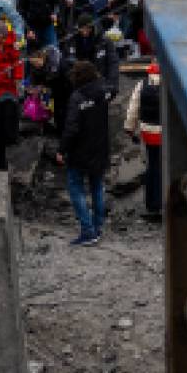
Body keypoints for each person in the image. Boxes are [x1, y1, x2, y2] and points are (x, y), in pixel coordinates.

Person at [58, 59, 111, 247]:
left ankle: (87, 231)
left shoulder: (77, 97)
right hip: (100, 148)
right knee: (97, 187)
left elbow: (71, 128)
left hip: (80, 152)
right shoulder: (103, 92)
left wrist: (62, 149)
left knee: (76, 188)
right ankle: (97, 226)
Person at [123, 62, 164, 221]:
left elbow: (133, 108)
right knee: (162, 166)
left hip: (148, 132)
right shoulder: (169, 84)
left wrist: (129, 128)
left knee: (152, 165)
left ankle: (151, 204)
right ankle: (162, 203)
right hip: (164, 132)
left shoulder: (142, 84)